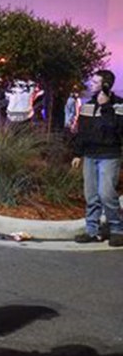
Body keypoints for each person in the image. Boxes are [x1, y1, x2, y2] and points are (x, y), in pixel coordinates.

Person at [71, 70, 123, 246]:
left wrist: (106, 107)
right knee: (91, 195)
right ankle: (91, 230)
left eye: (95, 82)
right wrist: (78, 153)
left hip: (109, 155)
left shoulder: (118, 106)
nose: (90, 84)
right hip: (90, 156)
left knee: (107, 194)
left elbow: (116, 130)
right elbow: (82, 132)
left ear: (105, 85)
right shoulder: (87, 105)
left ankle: (116, 229)